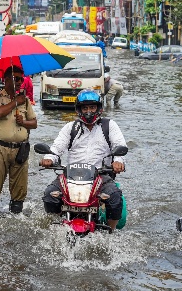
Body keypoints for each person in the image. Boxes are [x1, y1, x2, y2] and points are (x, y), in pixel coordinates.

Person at [40, 89, 127, 230]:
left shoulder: (109, 126)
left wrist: (118, 161)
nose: (89, 111)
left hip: (100, 175)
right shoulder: (70, 127)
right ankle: (55, 228)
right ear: (78, 109)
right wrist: (48, 158)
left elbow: (120, 146)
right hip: (71, 176)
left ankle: (111, 232)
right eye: (85, 108)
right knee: (50, 195)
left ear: (99, 108)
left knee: (115, 198)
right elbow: (57, 147)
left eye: (92, 107)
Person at [0, 66, 38, 214]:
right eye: (16, 79)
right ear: (6, 79)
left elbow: (34, 123)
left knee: (19, 189)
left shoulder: (25, 100)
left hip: (21, 149)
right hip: (0, 148)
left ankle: (16, 214)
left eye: (22, 79)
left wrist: (24, 122)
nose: (20, 82)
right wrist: (15, 102)